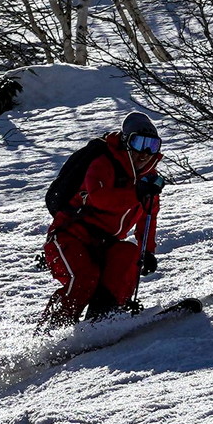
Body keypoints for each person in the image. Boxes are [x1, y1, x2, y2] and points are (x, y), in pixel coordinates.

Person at [41, 111, 166, 327]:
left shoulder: (149, 180)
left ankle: (102, 320)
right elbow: (101, 199)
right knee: (84, 279)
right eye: (139, 142)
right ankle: (52, 335)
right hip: (69, 237)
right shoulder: (104, 164)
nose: (145, 152)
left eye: (152, 145)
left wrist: (148, 251)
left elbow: (148, 216)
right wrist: (136, 192)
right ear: (127, 142)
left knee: (128, 256)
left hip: (104, 243)